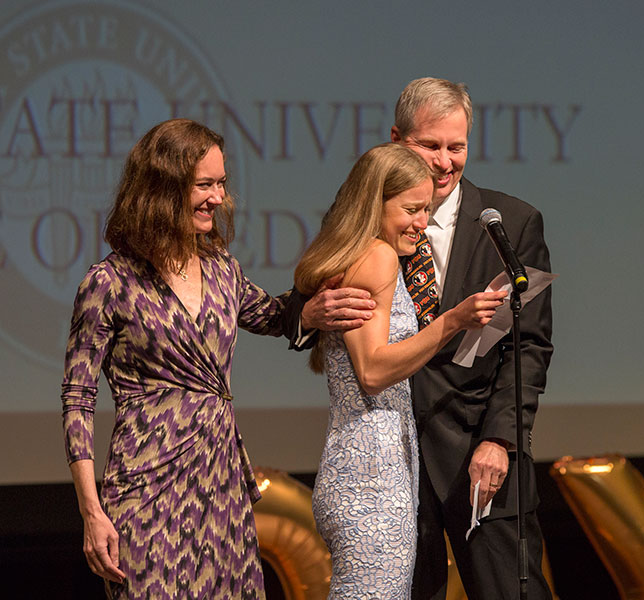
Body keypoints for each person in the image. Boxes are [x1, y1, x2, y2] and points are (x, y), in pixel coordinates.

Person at [300, 77, 554, 600]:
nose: (443, 162)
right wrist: (308, 313)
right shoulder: (360, 226)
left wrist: (499, 438)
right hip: (392, 466)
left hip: (479, 459)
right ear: (397, 139)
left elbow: (528, 347)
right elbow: (308, 303)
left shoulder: (513, 223)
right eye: (429, 145)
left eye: (455, 147)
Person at [61, 119, 297, 599]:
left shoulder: (222, 268)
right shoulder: (109, 283)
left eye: (222, 183)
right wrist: (92, 509)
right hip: (146, 494)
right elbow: (78, 397)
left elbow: (277, 317)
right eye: (203, 185)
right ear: (163, 189)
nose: (218, 197)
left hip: (222, 488)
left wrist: (335, 282)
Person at [294, 142, 506, 599]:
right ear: (375, 203)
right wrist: (453, 321)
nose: (421, 223)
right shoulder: (378, 257)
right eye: (411, 209)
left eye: (426, 210)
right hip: (370, 475)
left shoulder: (370, 255)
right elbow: (371, 371)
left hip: (374, 464)